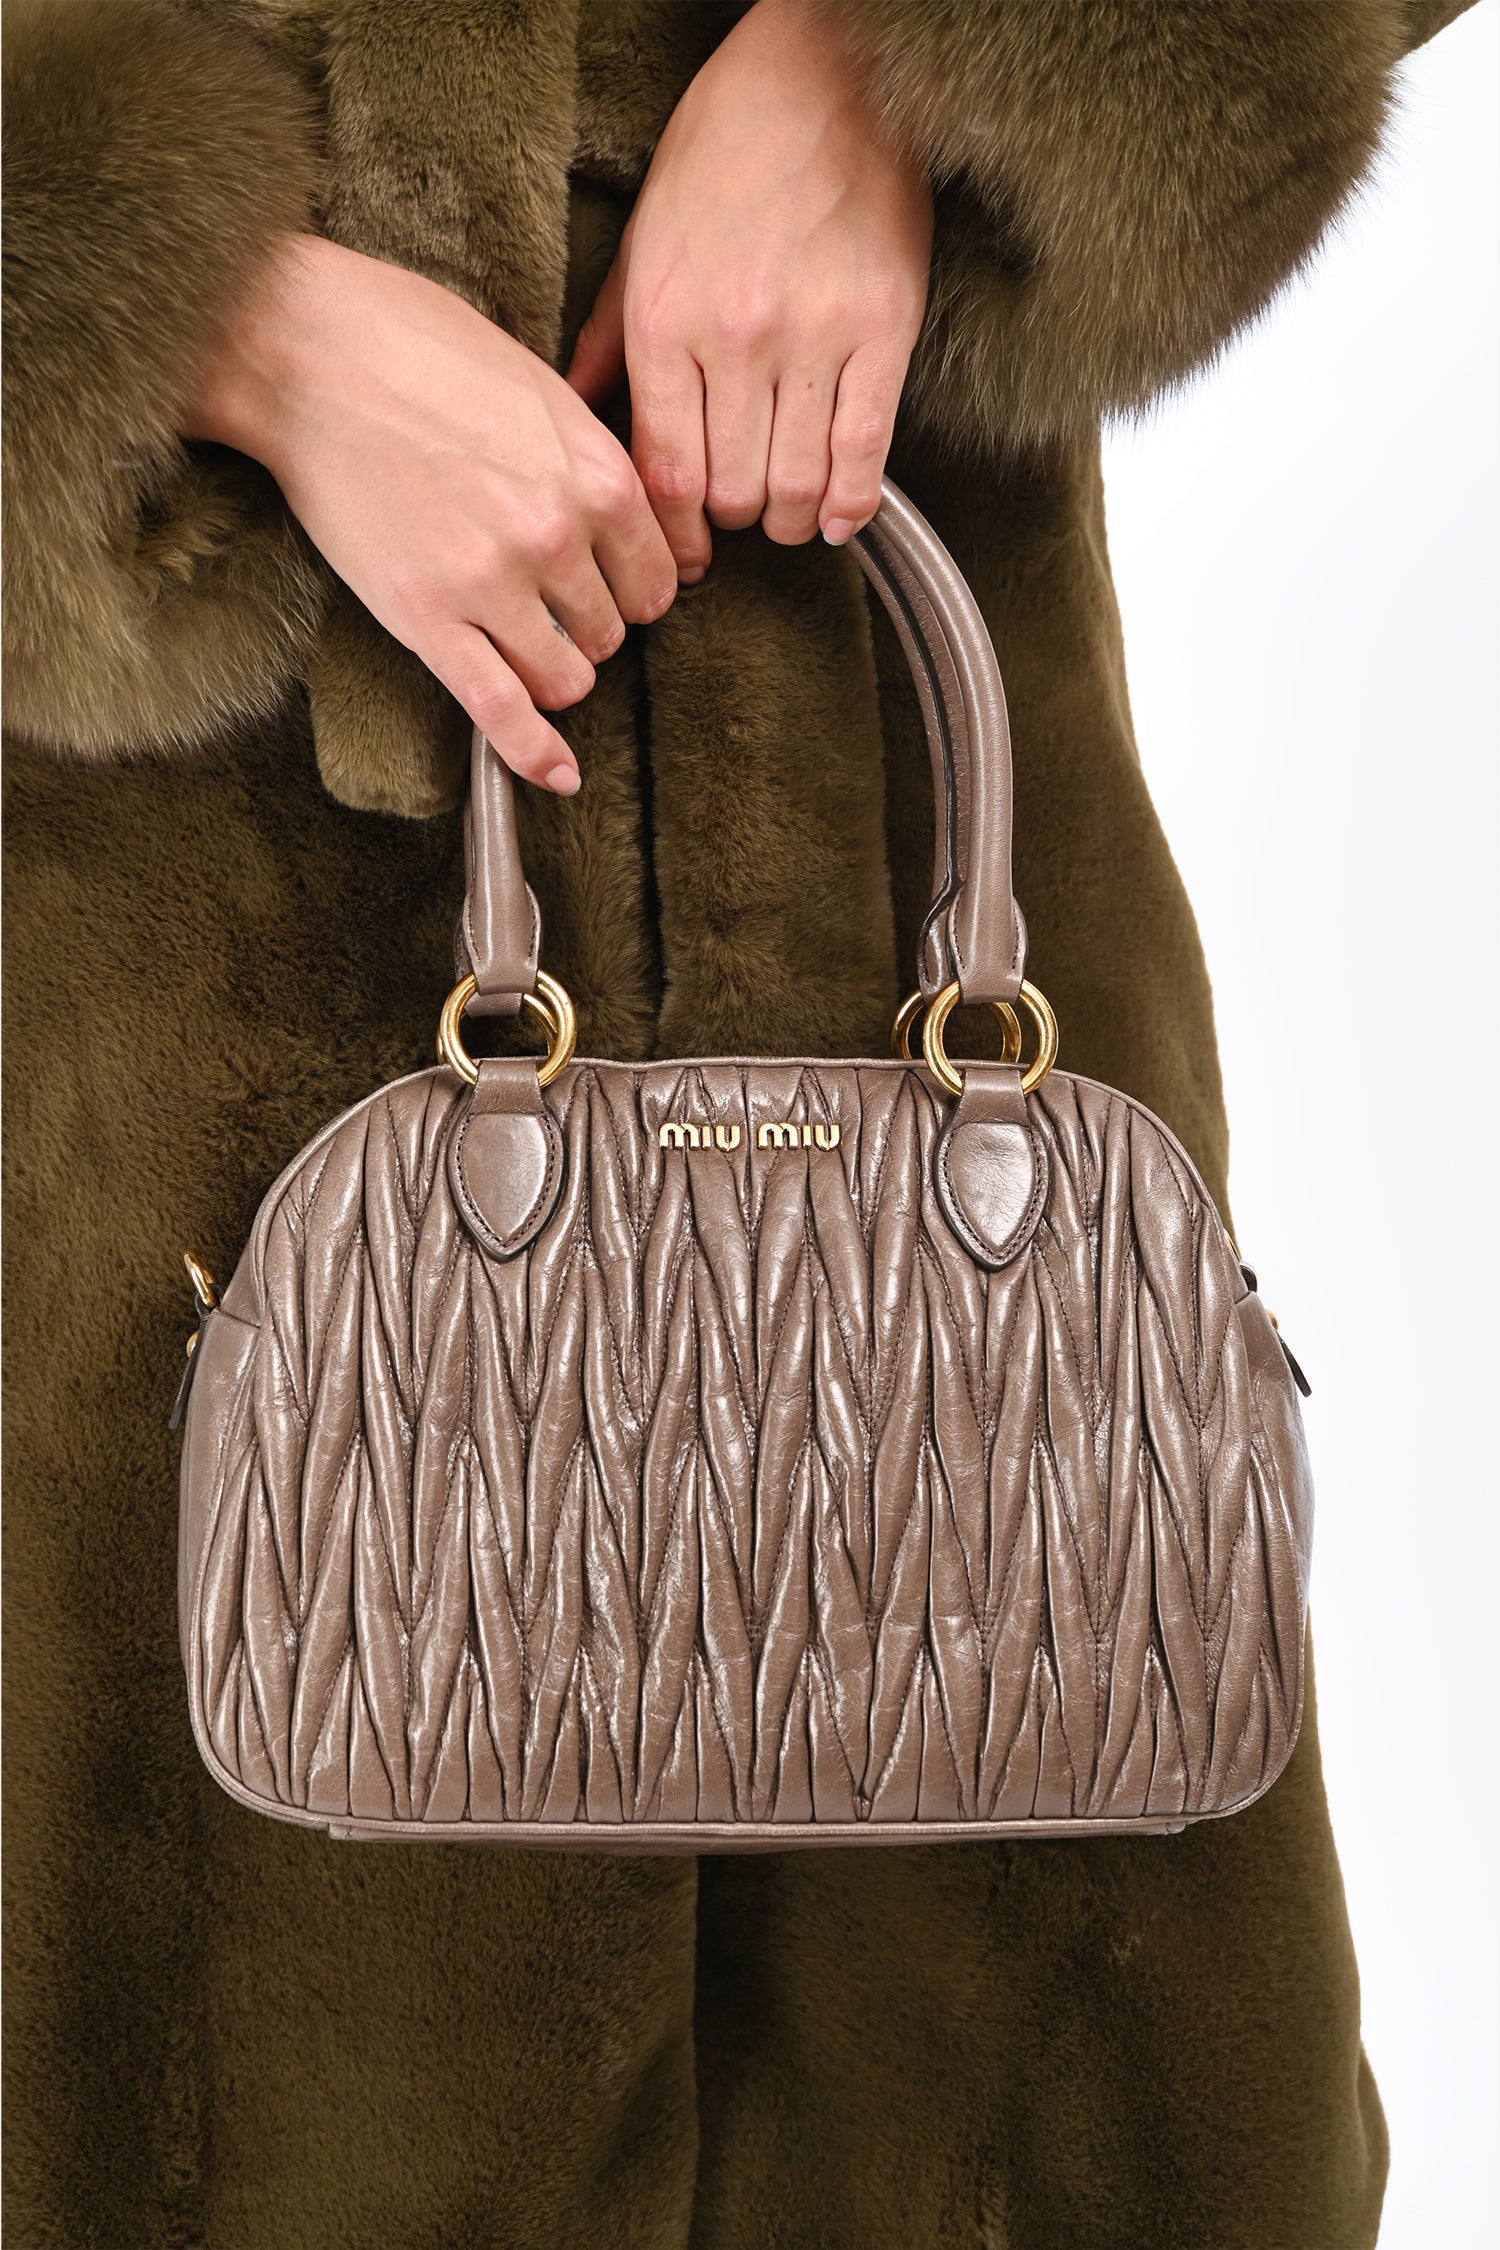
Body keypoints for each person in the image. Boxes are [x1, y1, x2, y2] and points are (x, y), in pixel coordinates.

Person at [1, 2, 1472, 2243]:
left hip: (891, 658)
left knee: (1056, 2043)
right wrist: (202, 312)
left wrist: (885, 67)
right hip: (170, 841)